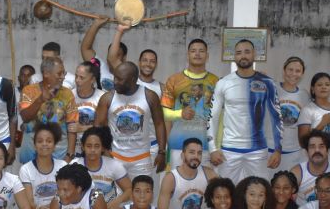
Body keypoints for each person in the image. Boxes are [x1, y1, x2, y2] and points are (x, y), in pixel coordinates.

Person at [209, 39, 282, 183]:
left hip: (258, 151)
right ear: (234, 57)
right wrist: (212, 148)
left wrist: (277, 149)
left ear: (254, 54)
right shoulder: (223, 83)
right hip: (229, 150)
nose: (243, 56)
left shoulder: (267, 82)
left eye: (247, 52)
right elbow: (212, 117)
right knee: (225, 194)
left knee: (260, 193)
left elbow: (276, 117)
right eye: (239, 53)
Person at [95, 62, 167, 179]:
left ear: (132, 79)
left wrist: (162, 151)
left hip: (142, 158)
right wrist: (105, 151)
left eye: (120, 79)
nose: (115, 82)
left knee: (143, 195)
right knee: (116, 196)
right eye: (115, 77)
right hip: (115, 157)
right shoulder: (107, 98)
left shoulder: (150, 96)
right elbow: (98, 126)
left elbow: (159, 123)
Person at [160, 37, 219, 169]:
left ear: (207, 56)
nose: (197, 54)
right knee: (178, 187)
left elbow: (221, 117)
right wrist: (180, 114)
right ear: (188, 55)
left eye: (201, 51)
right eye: (193, 51)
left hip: (206, 147)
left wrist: (216, 147)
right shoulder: (174, 80)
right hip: (178, 146)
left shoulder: (216, 82)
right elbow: (163, 113)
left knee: (207, 188)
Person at [18, 56, 77, 163]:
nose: (63, 77)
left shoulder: (68, 94)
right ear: (46, 73)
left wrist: (69, 155)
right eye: (59, 73)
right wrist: (40, 100)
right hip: (31, 155)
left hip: (59, 157)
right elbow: (25, 117)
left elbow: (72, 127)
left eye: (64, 73)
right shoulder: (29, 91)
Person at [73, 127, 131, 209]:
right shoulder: (74, 166)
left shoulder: (114, 165)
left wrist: (116, 202)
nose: (92, 150)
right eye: (89, 146)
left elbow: (130, 189)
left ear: (103, 148)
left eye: (97, 146)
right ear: (82, 147)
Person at [273, 56, 309, 172]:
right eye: (290, 69)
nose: (294, 74)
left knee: (290, 187)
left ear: (302, 74)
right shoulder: (272, 88)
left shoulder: (304, 95)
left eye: (298, 71)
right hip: (271, 150)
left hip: (294, 152)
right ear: (284, 71)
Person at [297, 72, 330, 161]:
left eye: (327, 85)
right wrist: (322, 124)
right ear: (313, 89)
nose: (324, 87)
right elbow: (302, 142)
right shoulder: (307, 110)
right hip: (313, 162)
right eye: (319, 85)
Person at [70, 61, 105, 156]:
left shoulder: (102, 97)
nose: (77, 80)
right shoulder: (69, 95)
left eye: (81, 77)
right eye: (76, 76)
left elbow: (107, 126)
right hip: (72, 149)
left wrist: (83, 128)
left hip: (94, 149)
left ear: (92, 79)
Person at [81, 17, 124, 91]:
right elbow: (86, 49)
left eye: (117, 55)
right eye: (110, 54)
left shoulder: (128, 75)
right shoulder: (99, 66)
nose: (112, 57)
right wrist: (96, 24)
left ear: (124, 57)